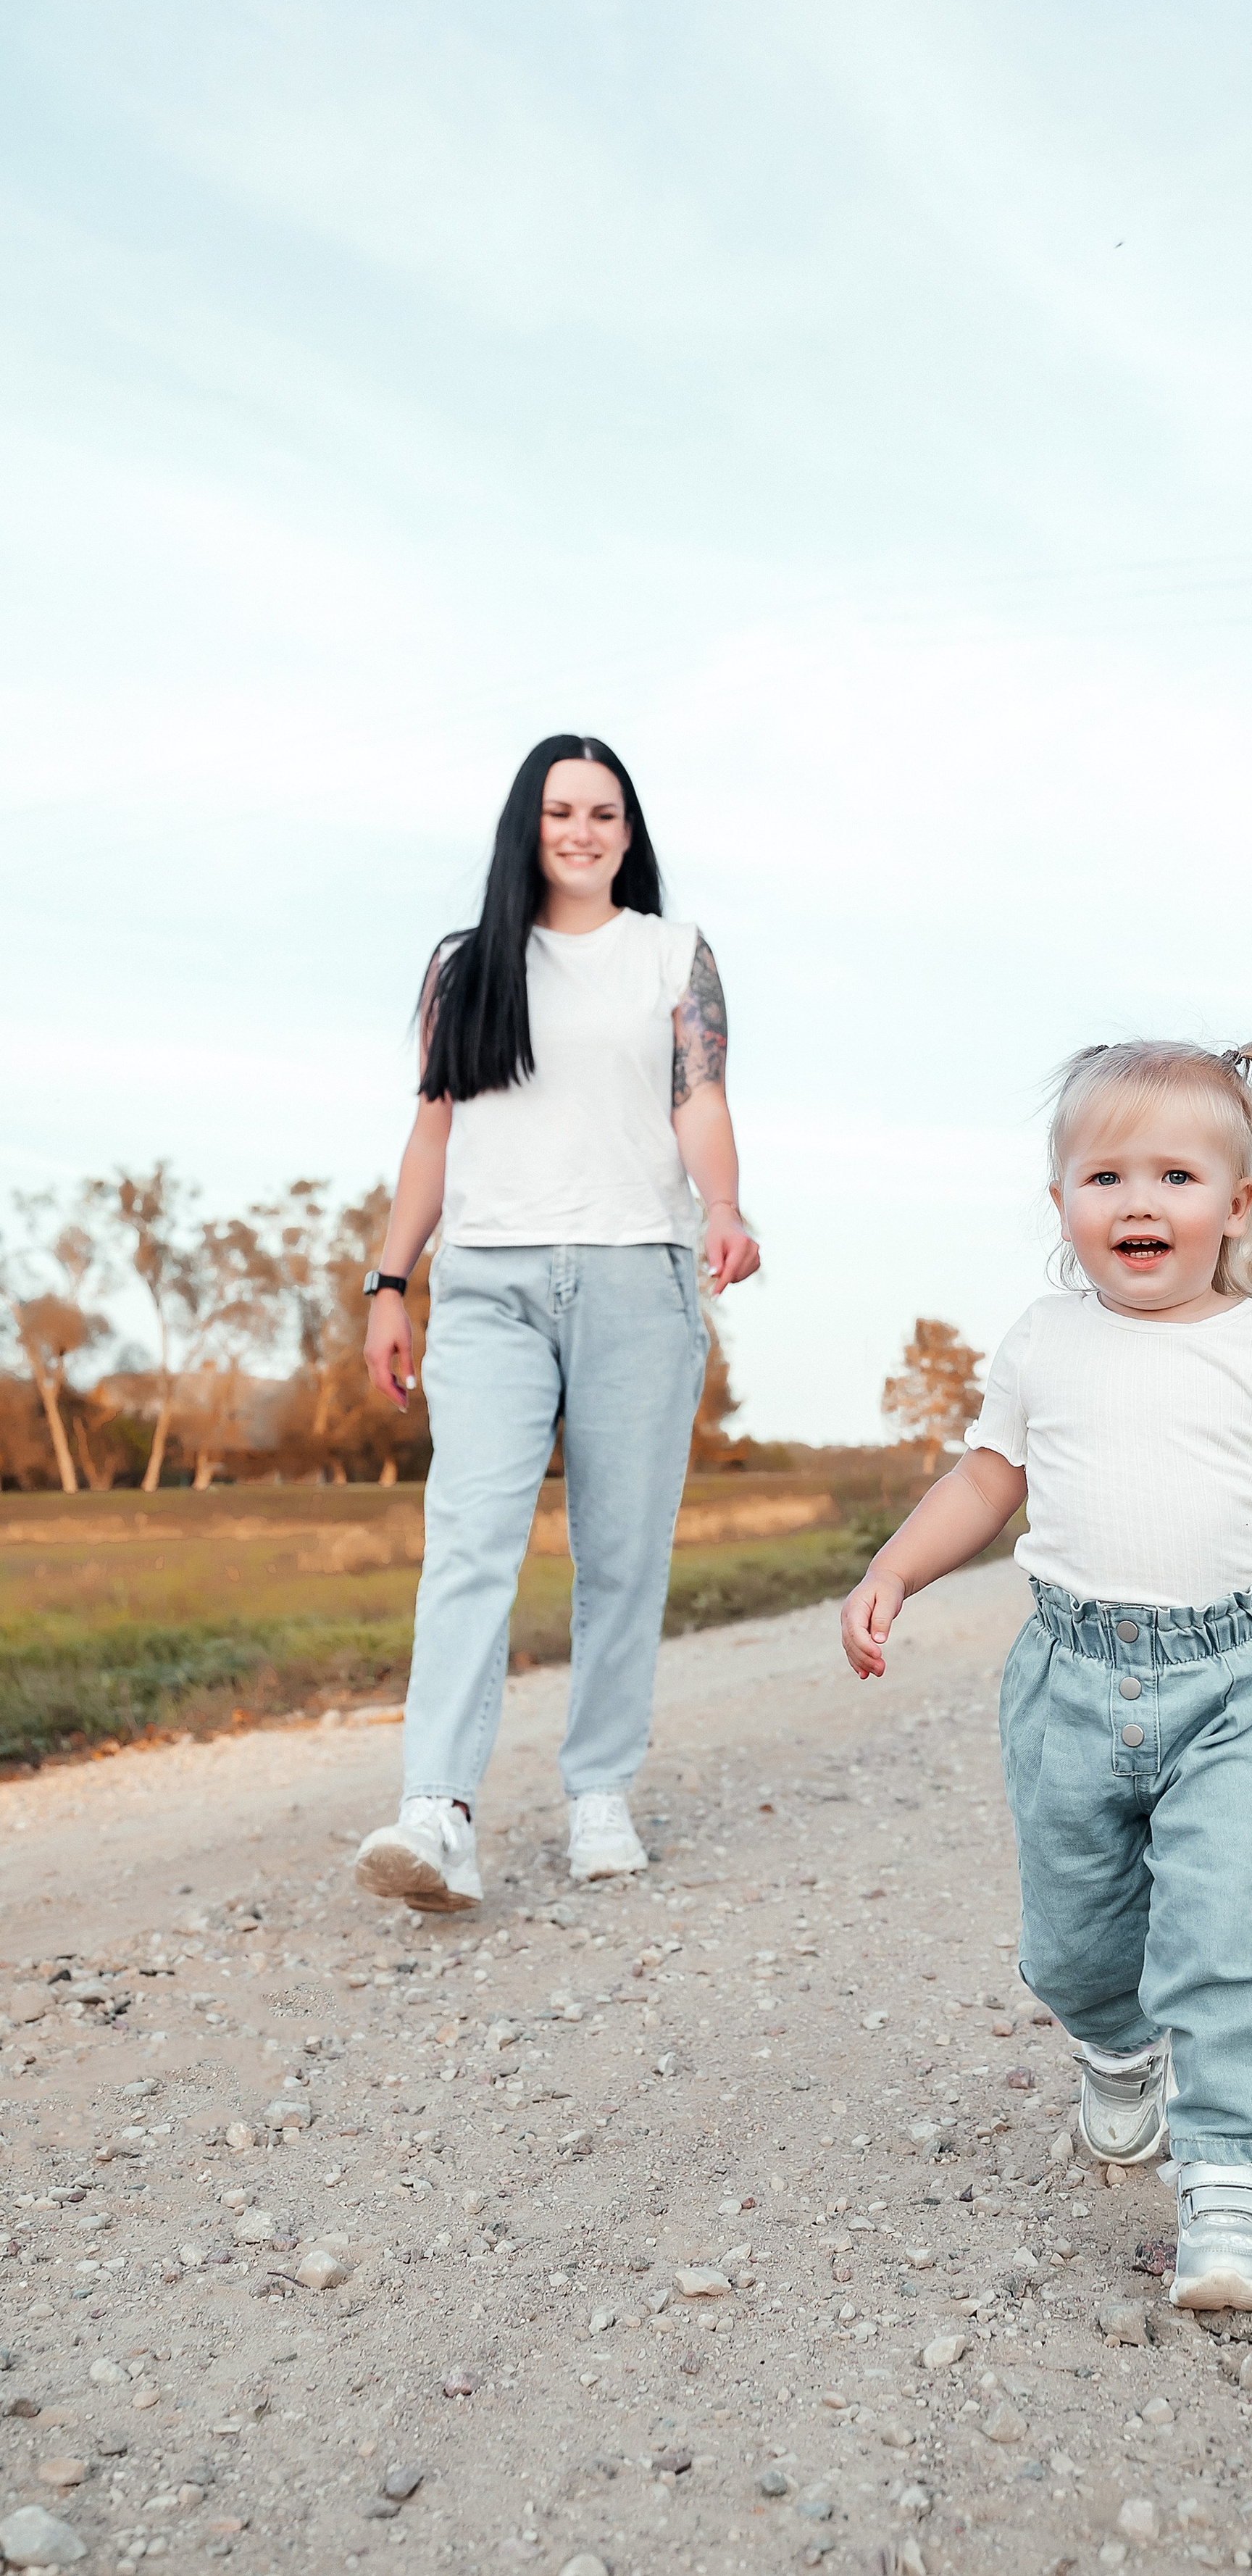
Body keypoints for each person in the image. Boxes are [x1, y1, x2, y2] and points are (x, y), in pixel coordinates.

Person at [838, 1038, 1252, 2314]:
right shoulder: (1042, 1341)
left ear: (1235, 1208)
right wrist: (894, 1571)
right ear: (1062, 1203)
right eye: (1105, 1176)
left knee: (1219, 1945)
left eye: (1177, 1175)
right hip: (1069, 1676)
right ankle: (1117, 2053)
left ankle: (1231, 2191)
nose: (1140, 1202)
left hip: (1234, 1682)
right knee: (1075, 1953)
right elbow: (986, 1482)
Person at [353, 733, 759, 1914]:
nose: (582, 831)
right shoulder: (466, 965)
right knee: (471, 1537)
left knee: (622, 1554)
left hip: (639, 1273)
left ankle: (599, 1793)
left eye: (606, 814)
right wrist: (392, 1282)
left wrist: (723, 1205)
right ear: (525, 826)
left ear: (629, 836)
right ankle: (439, 1812)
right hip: (488, 1280)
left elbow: (703, 1098)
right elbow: (433, 1133)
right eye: (560, 811)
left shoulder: (673, 955)